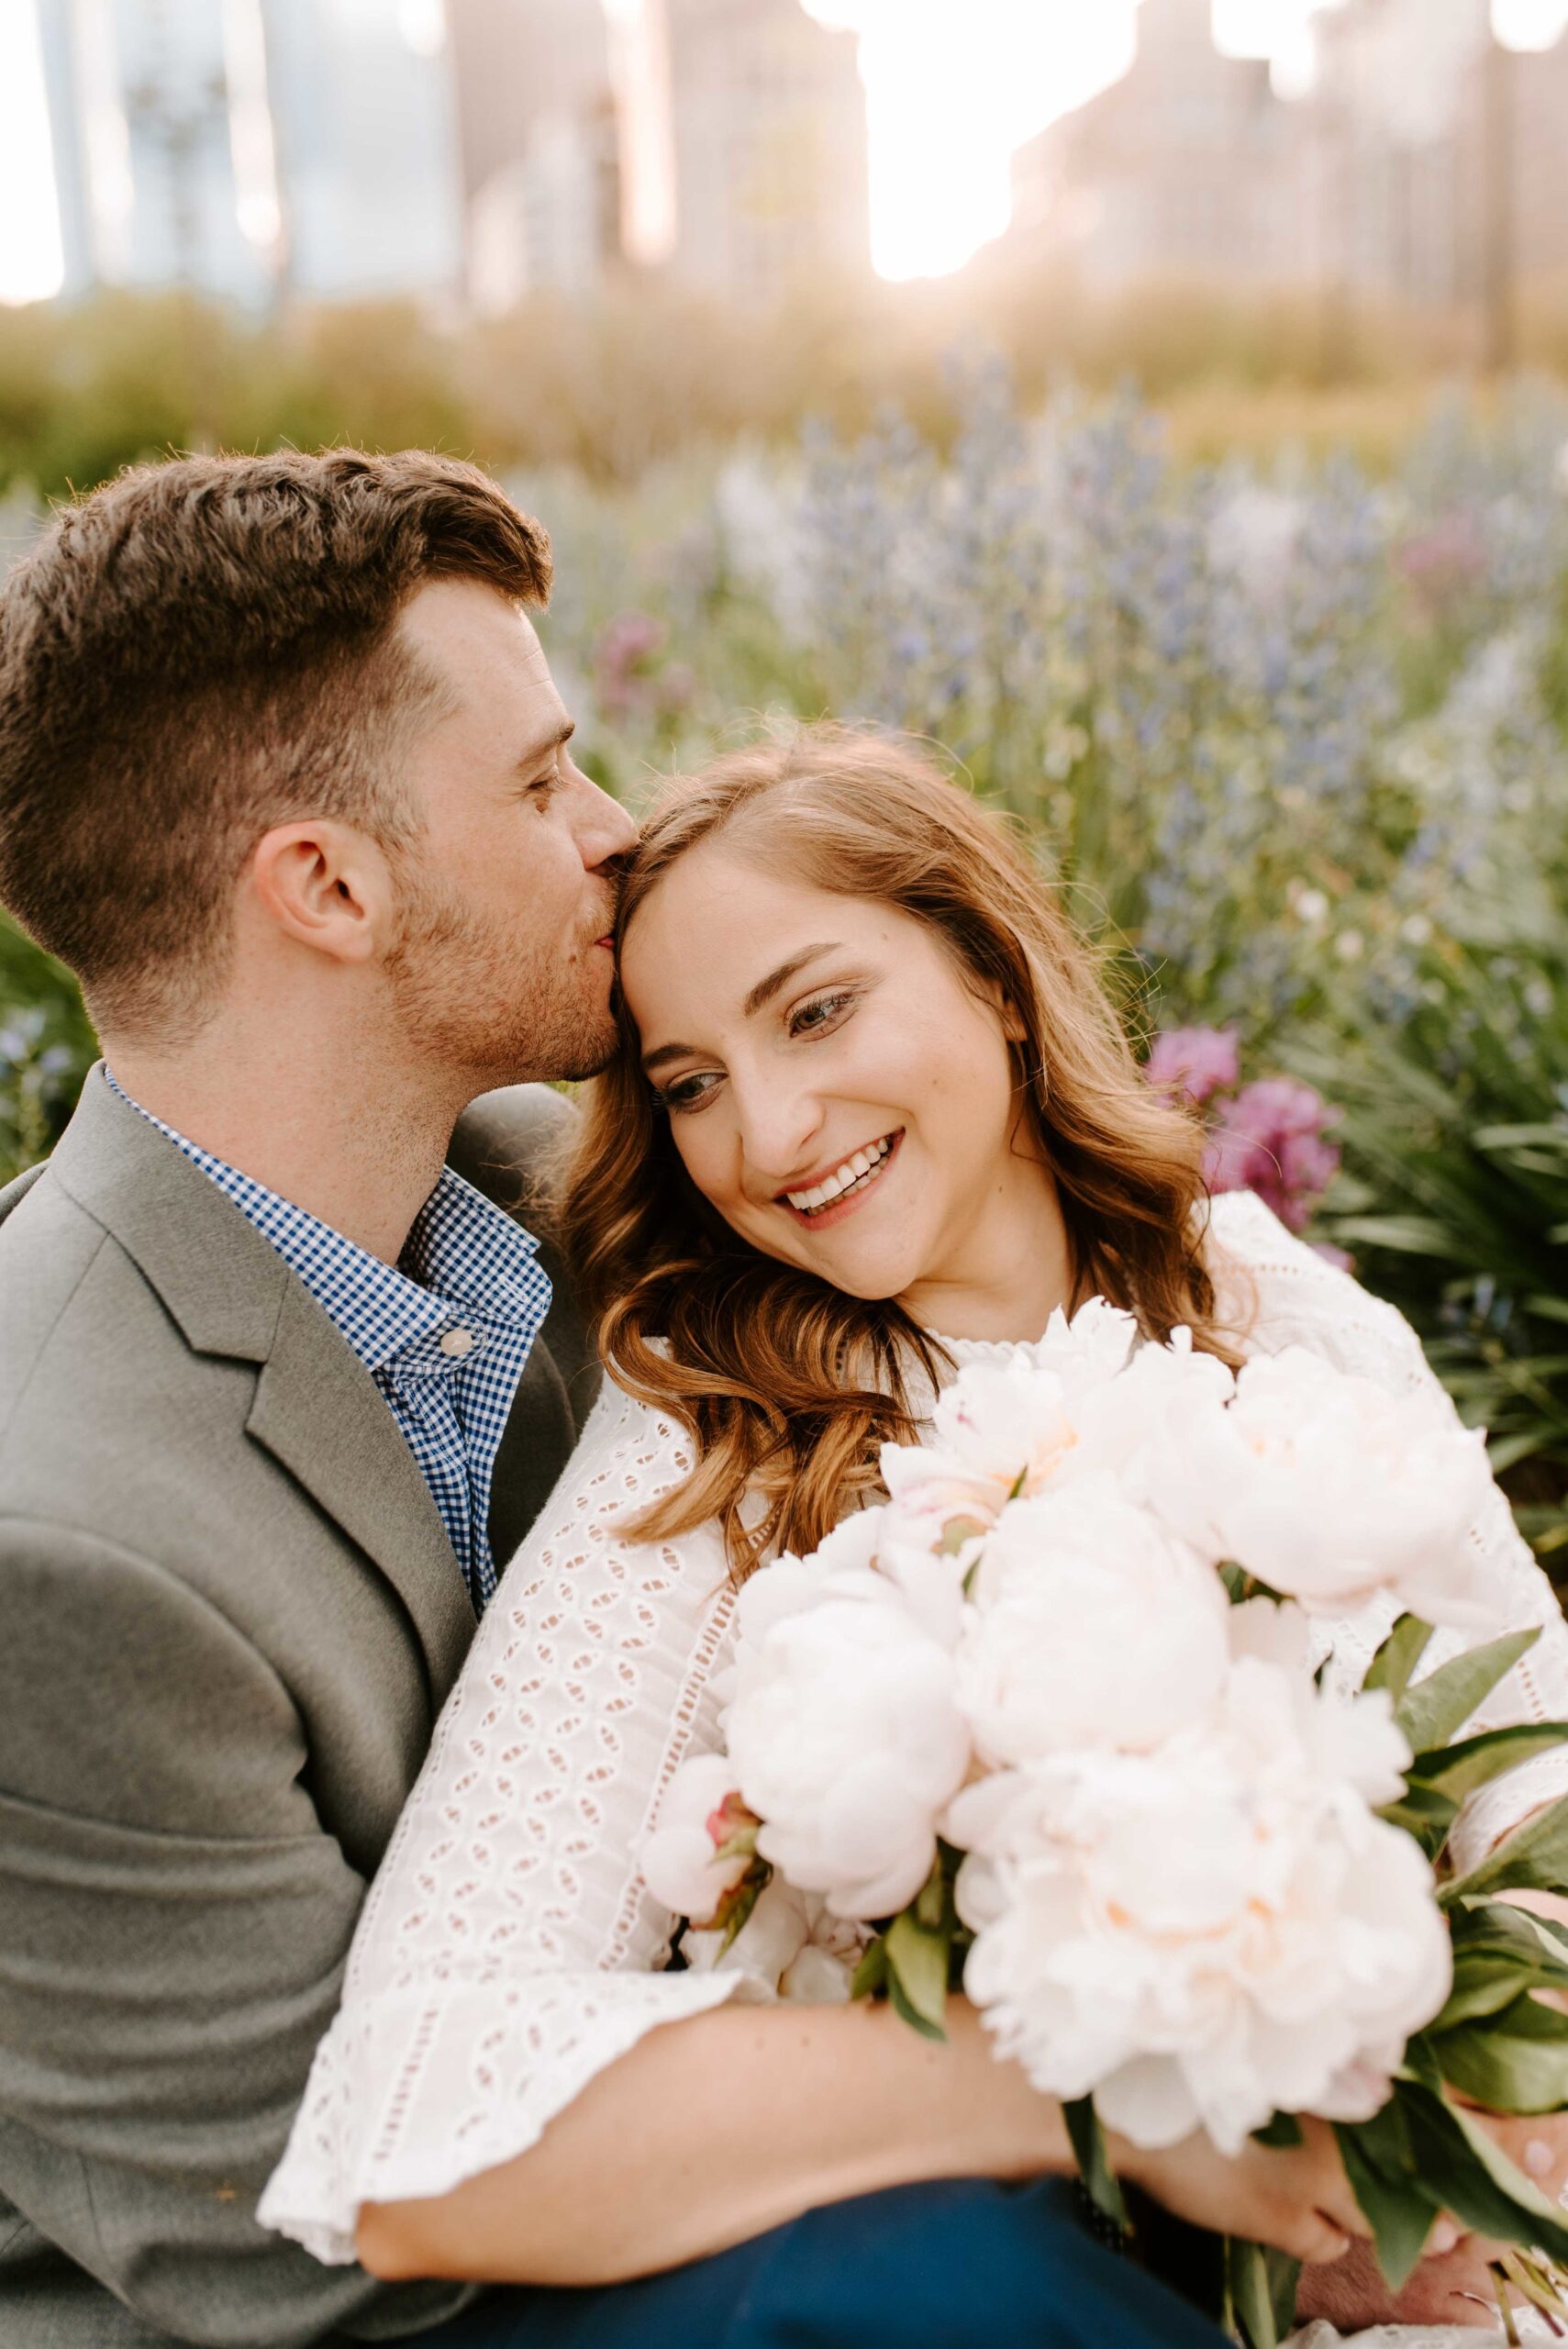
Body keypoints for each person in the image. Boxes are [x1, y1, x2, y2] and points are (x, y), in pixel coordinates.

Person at [261, 729, 1568, 2343]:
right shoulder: (705, 1444)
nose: (772, 1131)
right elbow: (413, 2119)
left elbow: (1538, 1803)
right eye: (690, 1084)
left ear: (993, 973)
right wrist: (1110, 2099)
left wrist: (1470, 2150)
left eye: (816, 1011)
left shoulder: (1284, 1315)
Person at [0, 448, 638, 2346]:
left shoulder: (560, 1175)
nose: (618, 830)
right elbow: (334, 2247)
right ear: (332, 884)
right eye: (540, 780)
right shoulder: (50, 1545)